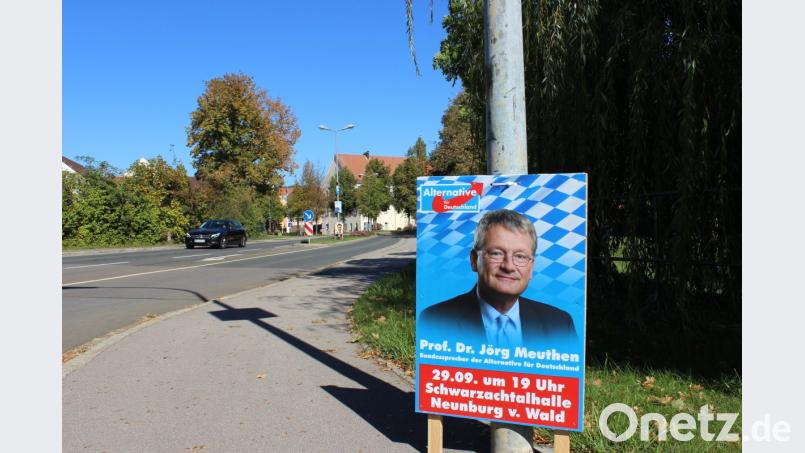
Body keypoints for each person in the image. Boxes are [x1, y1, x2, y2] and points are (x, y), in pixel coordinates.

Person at [418, 209, 577, 348]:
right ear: (474, 260)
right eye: (496, 253)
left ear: (531, 268)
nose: (508, 266)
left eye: (520, 256)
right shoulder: (436, 320)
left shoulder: (560, 324)